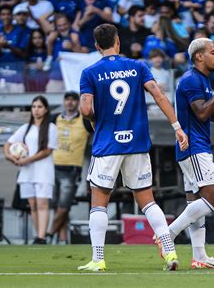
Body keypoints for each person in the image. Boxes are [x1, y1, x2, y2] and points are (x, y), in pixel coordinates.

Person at [78, 23, 188, 272]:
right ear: (118, 42)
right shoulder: (138, 66)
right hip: (136, 143)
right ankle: (170, 252)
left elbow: (85, 109)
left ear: (97, 46)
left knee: (99, 202)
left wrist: (95, 119)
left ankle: (98, 259)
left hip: (107, 144)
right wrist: (177, 126)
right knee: (147, 201)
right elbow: (159, 95)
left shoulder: (90, 72)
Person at [164, 37, 214, 269]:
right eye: (213, 52)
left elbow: (212, 114)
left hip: (195, 146)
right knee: (213, 198)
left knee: (197, 203)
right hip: (194, 148)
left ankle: (199, 256)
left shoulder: (200, 79)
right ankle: (168, 234)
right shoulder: (191, 80)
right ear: (199, 56)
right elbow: (201, 113)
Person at [4, 95, 58, 244]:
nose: (36, 110)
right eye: (34, 107)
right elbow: (8, 144)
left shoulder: (51, 128)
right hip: (27, 173)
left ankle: (41, 237)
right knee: (32, 205)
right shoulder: (25, 128)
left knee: (42, 204)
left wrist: (27, 159)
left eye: (39, 107)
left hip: (44, 172)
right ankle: (37, 235)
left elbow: (47, 151)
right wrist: (11, 157)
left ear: (46, 109)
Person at [46, 91, 93, 245]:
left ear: (78, 103)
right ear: (64, 102)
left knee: (63, 207)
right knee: (55, 206)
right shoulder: (54, 119)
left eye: (74, 100)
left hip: (72, 169)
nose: (70, 102)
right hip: (52, 167)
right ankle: (63, 239)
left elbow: (97, 131)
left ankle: (47, 234)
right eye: (67, 100)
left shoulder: (85, 121)